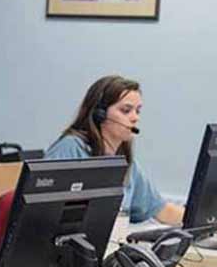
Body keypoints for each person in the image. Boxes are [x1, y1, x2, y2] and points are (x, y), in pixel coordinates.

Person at [45, 75, 183, 224]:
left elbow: (162, 211)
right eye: (126, 110)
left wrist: (205, 220)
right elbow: (42, 211)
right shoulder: (70, 148)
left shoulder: (124, 160)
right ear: (100, 114)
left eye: (138, 111)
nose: (135, 118)